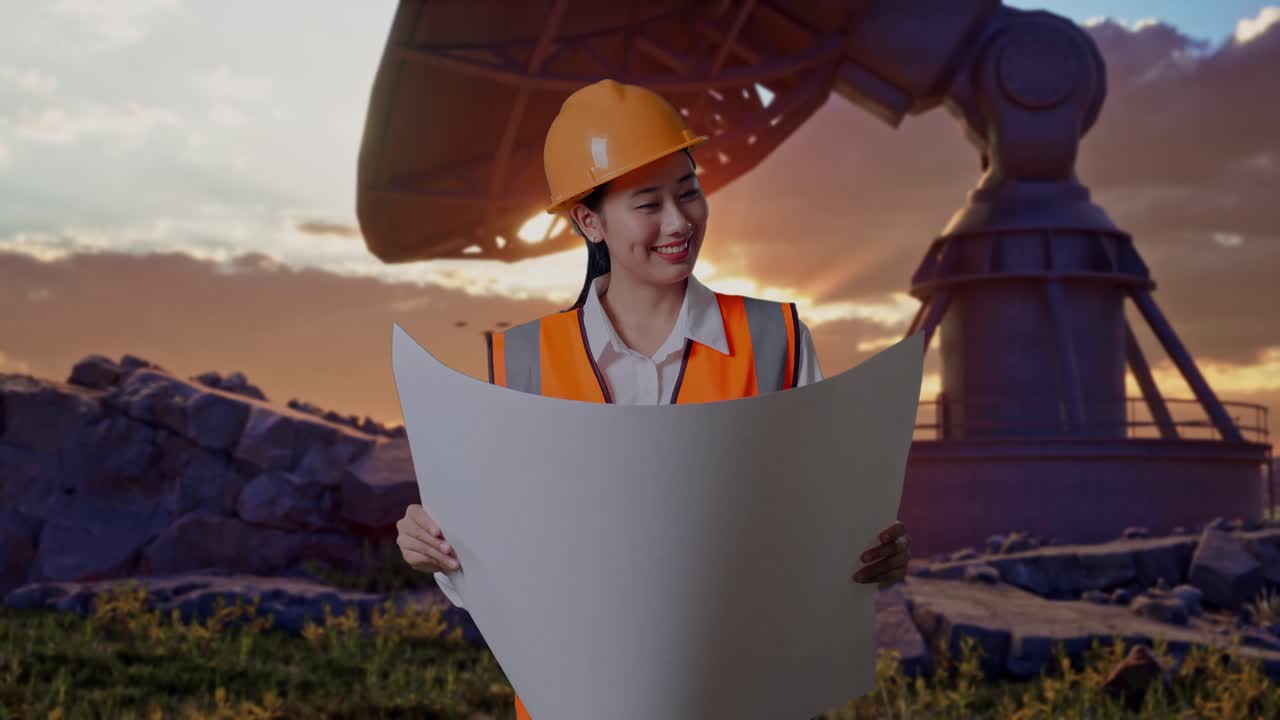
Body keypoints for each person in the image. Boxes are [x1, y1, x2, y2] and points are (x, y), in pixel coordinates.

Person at [395, 79, 912, 720]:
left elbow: (821, 522)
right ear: (589, 221)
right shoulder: (519, 364)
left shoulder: (774, 340)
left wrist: (873, 554)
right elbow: (497, 570)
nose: (679, 222)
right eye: (648, 203)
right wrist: (437, 550)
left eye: (689, 192)